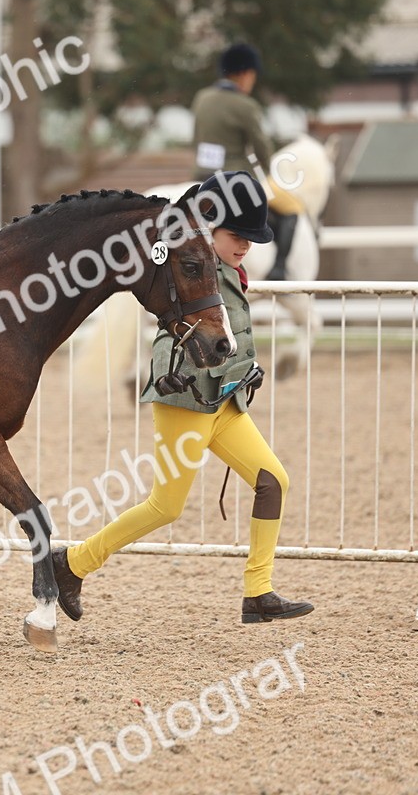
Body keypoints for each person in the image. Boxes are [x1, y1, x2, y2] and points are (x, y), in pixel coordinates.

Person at [51, 171, 313, 625]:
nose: (247, 246)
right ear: (208, 227)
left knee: (273, 480)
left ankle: (258, 592)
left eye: (252, 239)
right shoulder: (190, 265)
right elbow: (169, 327)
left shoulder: (226, 268)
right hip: (187, 400)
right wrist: (167, 373)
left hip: (226, 403)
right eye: (238, 235)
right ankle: (72, 563)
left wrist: (246, 366)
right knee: (165, 507)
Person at [190, 42, 296, 281]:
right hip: (235, 182)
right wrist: (271, 174)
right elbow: (262, 149)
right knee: (292, 210)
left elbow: (196, 138)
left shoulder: (202, 98)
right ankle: (279, 269)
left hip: (200, 176)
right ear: (245, 73)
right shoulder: (245, 105)